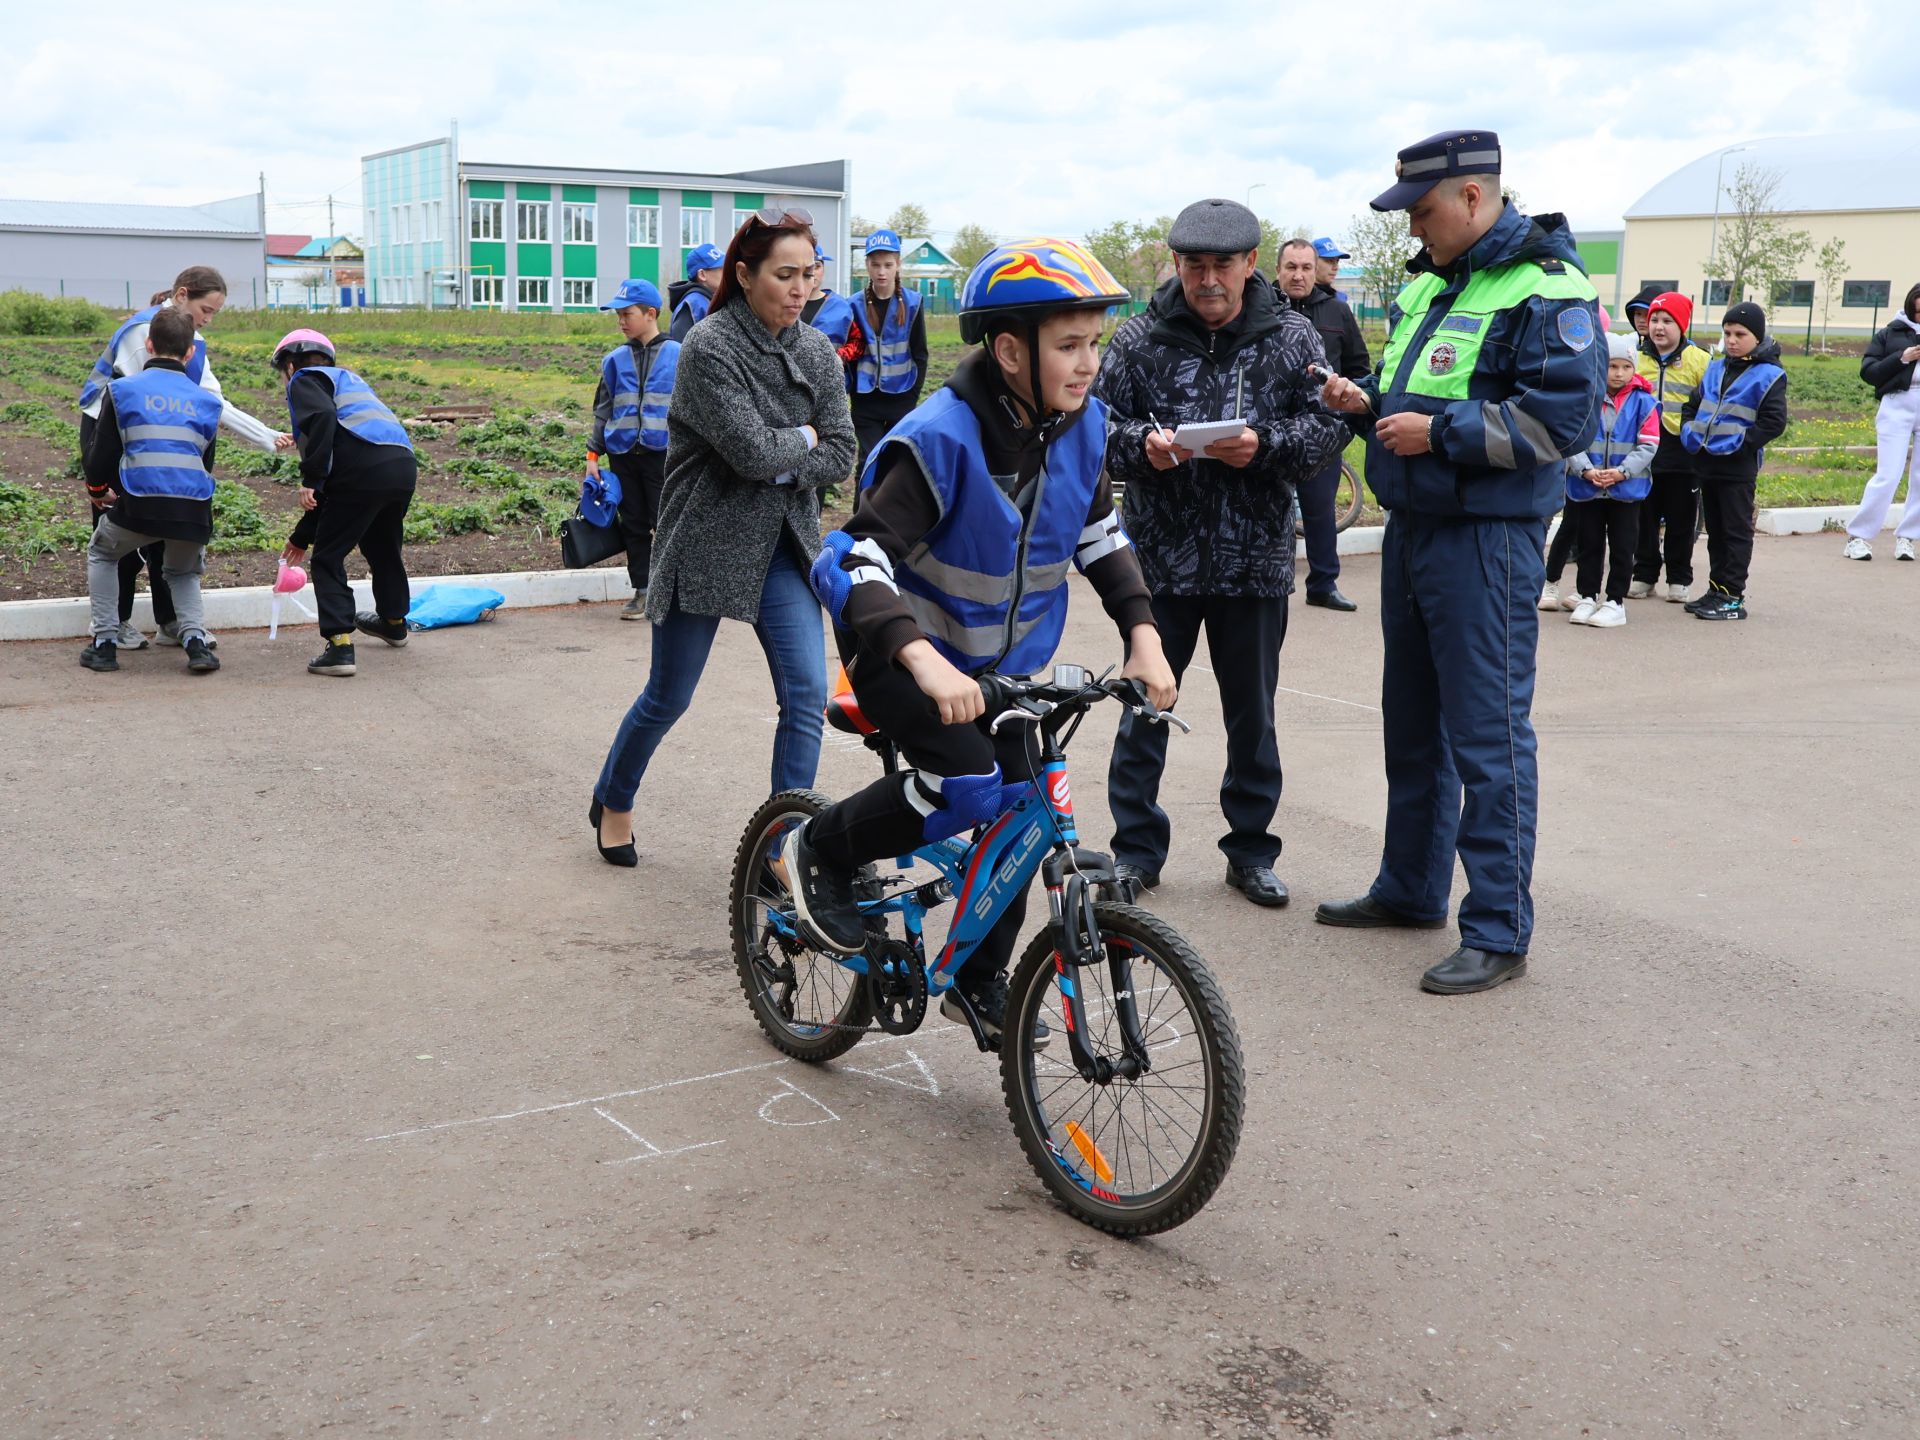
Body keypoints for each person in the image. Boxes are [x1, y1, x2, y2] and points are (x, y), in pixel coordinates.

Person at [785, 239, 1176, 1044]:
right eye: (1070, 345)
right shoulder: (941, 440)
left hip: (1007, 673)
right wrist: (921, 659)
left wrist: (1144, 637)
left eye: (1095, 344)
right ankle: (818, 848)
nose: (1089, 364)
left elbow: (1099, 536)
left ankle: (976, 977)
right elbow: (851, 557)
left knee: (1029, 810)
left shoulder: (1080, 427)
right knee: (968, 786)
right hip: (905, 660)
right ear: (1009, 350)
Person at [1315, 129, 1606, 995]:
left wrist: (1434, 432)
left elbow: (1561, 424)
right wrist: (1370, 408)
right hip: (1416, 528)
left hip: (1487, 541)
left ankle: (1499, 930)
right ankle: (1410, 890)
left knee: (1487, 739)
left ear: (1474, 198)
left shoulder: (1546, 285)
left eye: (1424, 212)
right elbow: (1423, 401)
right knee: (1413, 727)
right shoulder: (1439, 284)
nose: (1413, 231)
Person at [1097, 198, 1348, 908]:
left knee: (1253, 716)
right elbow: (1094, 427)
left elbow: (1328, 428)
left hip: (1254, 561)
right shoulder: (1139, 339)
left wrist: (1263, 447)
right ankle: (1136, 851)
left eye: (1223, 265)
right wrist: (1140, 451)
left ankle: (1250, 850)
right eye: (1195, 265)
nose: (1209, 280)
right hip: (1159, 563)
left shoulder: (1293, 338)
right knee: (1145, 705)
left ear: (1249, 266)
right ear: (1177, 264)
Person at [590, 207, 856, 867]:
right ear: (744, 274)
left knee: (805, 697)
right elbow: (749, 453)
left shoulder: (816, 349)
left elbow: (844, 450)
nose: (799, 289)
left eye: (809, 275)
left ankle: (782, 850)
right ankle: (613, 798)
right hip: (705, 537)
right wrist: (802, 443)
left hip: (784, 546)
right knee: (669, 695)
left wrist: (791, 452)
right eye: (784, 275)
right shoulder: (710, 345)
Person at [74, 265, 291, 650]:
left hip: (158, 431)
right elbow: (139, 397)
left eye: (213, 314)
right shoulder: (145, 333)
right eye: (205, 310)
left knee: (168, 526)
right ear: (182, 295)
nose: (207, 320)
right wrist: (99, 482)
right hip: (114, 429)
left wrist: (267, 436)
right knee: (123, 531)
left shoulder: (192, 341)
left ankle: (171, 621)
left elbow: (212, 400)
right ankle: (116, 622)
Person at [78, 306, 223, 675]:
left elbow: (101, 454)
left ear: (148, 344)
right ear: (190, 352)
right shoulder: (208, 402)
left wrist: (98, 489)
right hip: (193, 507)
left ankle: (105, 643)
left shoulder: (122, 390)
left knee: (103, 553)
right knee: (182, 571)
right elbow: (204, 461)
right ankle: (196, 644)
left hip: (140, 503)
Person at [269, 329, 419, 677]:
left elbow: (322, 425)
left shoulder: (304, 380)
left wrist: (310, 479)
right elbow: (340, 486)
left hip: (363, 468)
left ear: (289, 366)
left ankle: (339, 647)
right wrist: (300, 535)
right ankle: (394, 622)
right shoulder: (348, 380)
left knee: (327, 557)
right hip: (401, 465)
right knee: (382, 545)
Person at [1278, 237, 1371, 611]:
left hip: (1321, 432)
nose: (1299, 275)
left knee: (1319, 511)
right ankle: (1273, 584)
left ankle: (1323, 584)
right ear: (1279, 269)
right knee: (1271, 508)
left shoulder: (1337, 312)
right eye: (1291, 267)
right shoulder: (1258, 308)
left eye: (1306, 268)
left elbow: (1360, 371)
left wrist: (1344, 422)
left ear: (1315, 270)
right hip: (1272, 431)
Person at [1679, 301, 1787, 621]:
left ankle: (1732, 597)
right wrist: (1689, 431)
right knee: (1716, 532)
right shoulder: (1716, 367)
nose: (1732, 340)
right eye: (1727, 333)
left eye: (1740, 334)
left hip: (1737, 467)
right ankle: (1716, 588)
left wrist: (1742, 444)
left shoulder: (1770, 374)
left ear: (1757, 336)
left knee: (1736, 532)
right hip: (1707, 463)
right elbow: (1693, 404)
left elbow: (1773, 422)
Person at [587, 279, 680, 617]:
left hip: (664, 456)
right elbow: (603, 411)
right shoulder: (613, 360)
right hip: (623, 455)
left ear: (651, 313)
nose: (621, 321)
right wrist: (593, 457)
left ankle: (671, 589)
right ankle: (642, 590)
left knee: (668, 522)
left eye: (627, 314)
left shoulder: (679, 355)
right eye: (618, 315)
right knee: (634, 525)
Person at [1557, 333, 1657, 627]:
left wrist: (1622, 472)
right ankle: (1587, 596)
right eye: (1612, 366)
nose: (1619, 373)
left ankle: (1615, 601)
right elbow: (1572, 440)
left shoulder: (1645, 402)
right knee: (1589, 545)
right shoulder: (1586, 400)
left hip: (1626, 488)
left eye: (1626, 367)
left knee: (1623, 547)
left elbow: (1648, 444)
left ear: (1633, 368)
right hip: (1588, 486)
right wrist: (1585, 470)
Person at [1628, 291, 1711, 601]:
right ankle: (1644, 573)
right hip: (1643, 448)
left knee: (1681, 518)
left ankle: (1679, 577)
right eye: (1654, 320)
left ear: (1682, 325)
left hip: (1683, 451)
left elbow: (1709, 402)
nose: (1659, 327)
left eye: (1667, 321)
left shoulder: (1700, 360)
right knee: (1643, 516)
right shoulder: (1635, 358)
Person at [1841, 282, 1920, 562]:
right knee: (1888, 474)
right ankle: (1858, 537)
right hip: (1897, 404)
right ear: (1912, 305)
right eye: (1919, 311)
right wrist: (1902, 358)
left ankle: (1907, 537)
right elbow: (1869, 372)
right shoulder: (1890, 332)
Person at [847, 229, 929, 467]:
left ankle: (891, 507)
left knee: (895, 467)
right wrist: (854, 393)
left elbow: (920, 354)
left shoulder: (914, 303)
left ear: (898, 265)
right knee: (869, 464)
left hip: (901, 400)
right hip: (866, 403)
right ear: (867, 265)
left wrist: (912, 397)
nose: (881, 271)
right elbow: (851, 352)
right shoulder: (853, 304)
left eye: (887, 264)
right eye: (875, 265)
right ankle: (863, 506)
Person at [668, 242, 725, 342]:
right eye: (721, 269)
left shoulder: (707, 299)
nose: (726, 272)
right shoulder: (692, 305)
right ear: (702, 274)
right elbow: (680, 350)